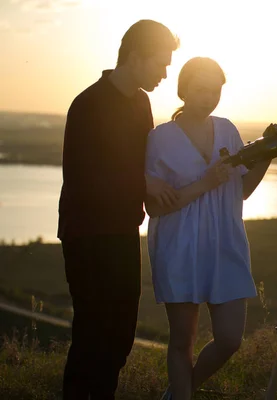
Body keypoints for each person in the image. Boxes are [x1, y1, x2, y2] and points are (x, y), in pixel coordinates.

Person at [58, 20, 180, 399]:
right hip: (87, 234)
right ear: (134, 56)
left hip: (123, 229)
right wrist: (143, 185)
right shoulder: (88, 104)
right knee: (94, 333)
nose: (164, 74)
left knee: (121, 333)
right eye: (160, 64)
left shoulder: (140, 101)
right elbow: (86, 177)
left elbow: (142, 161)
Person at [144, 57, 275, 400]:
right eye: (200, 89)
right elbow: (154, 206)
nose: (208, 97)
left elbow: (241, 190)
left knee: (230, 339)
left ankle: (176, 394)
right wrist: (204, 182)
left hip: (225, 242)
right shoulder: (161, 138)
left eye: (214, 90)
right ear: (183, 90)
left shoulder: (228, 129)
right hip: (179, 245)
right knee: (181, 340)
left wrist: (267, 156)